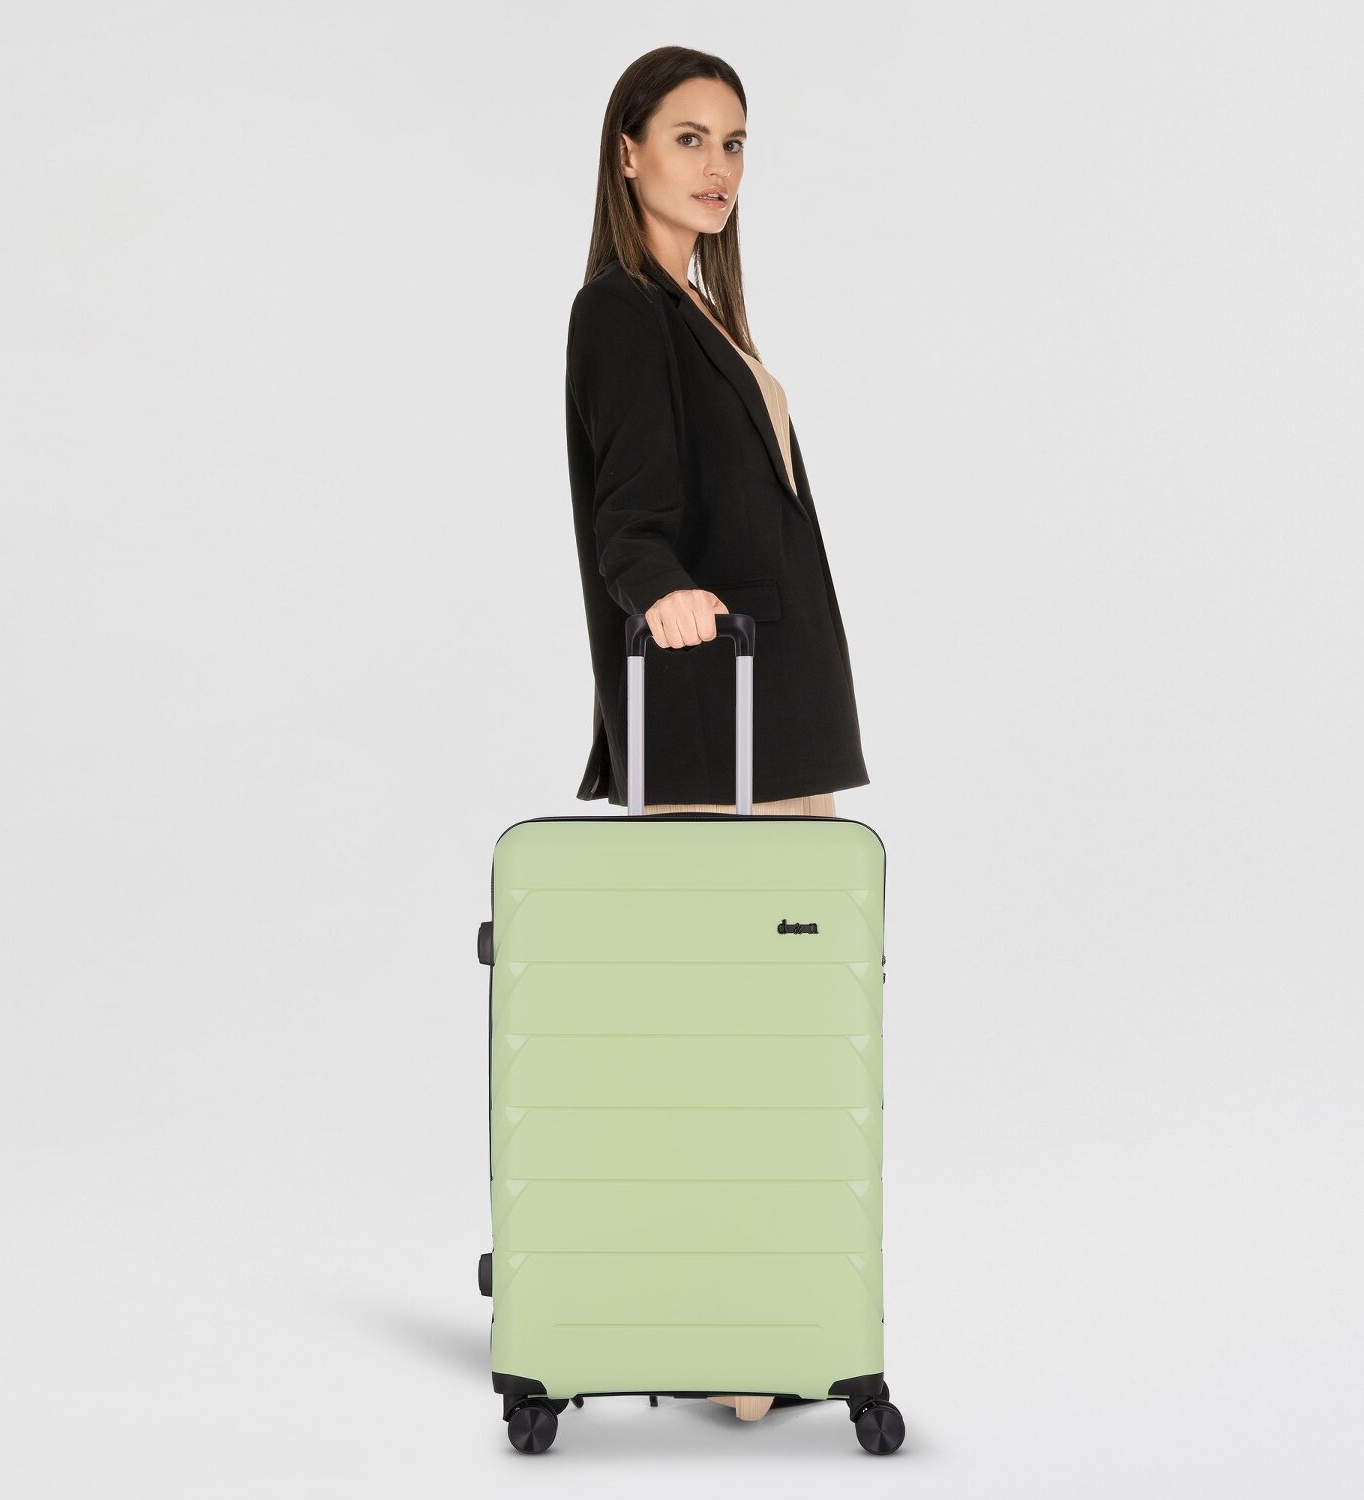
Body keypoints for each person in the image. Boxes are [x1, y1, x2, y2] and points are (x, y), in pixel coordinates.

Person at [562, 46, 871, 1421]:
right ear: (627, 150)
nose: (718, 167)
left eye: (735, 143)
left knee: (789, 1030)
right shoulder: (621, 311)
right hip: (713, 714)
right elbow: (627, 511)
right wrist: (658, 592)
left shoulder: (703, 309)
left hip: (778, 712)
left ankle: (766, 1332)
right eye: (688, 138)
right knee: (724, 1030)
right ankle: (733, 1339)